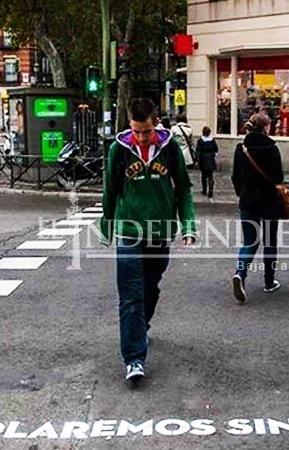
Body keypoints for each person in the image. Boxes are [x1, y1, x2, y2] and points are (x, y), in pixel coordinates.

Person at [100, 98, 197, 386]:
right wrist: (107, 226)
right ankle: (134, 358)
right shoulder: (119, 149)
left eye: (146, 131)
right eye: (136, 131)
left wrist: (188, 225)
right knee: (130, 296)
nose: (141, 137)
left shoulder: (170, 149)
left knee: (150, 288)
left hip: (160, 231)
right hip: (129, 232)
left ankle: (141, 327)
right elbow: (111, 189)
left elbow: (183, 188)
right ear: (130, 125)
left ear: (155, 122)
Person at [231, 113, 285, 302]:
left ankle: (240, 273)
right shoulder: (272, 148)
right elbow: (278, 177)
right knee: (270, 241)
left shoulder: (241, 148)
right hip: (269, 201)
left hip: (248, 201)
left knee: (249, 242)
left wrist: (242, 193)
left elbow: (235, 177)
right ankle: (269, 282)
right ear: (265, 127)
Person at [195, 126, 219, 200]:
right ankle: (210, 191)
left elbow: (198, 151)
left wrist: (197, 160)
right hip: (210, 158)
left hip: (203, 159)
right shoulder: (212, 140)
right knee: (210, 176)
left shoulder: (200, 141)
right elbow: (216, 149)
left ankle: (204, 190)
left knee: (203, 176)